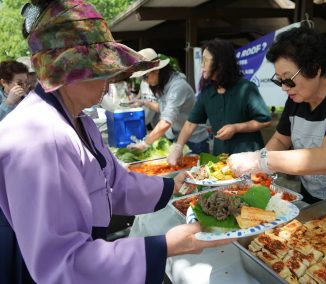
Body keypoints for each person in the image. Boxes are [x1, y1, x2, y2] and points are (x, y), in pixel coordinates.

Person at [0, 1, 234, 283]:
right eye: (102, 69)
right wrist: (166, 245)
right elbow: (63, 263)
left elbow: (115, 183)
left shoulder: (78, 120)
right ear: (69, 71)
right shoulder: (40, 139)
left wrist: (174, 185)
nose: (110, 81)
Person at [227, 26, 326, 215]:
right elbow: (281, 139)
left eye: (288, 79)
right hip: (312, 194)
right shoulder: (297, 98)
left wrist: (261, 159)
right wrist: (257, 171)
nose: (284, 88)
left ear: (315, 68)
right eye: (279, 80)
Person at [167, 38, 271, 165]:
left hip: (249, 158)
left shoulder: (246, 88)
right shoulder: (207, 93)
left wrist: (236, 128)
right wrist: (178, 147)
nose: (202, 65)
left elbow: (265, 121)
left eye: (205, 60)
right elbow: (190, 124)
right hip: (221, 159)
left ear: (220, 63)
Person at [128, 48, 210, 154]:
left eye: (145, 76)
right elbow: (162, 108)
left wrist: (145, 143)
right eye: (142, 78)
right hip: (178, 137)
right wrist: (144, 102)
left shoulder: (178, 87)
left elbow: (166, 122)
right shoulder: (163, 85)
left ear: (157, 70)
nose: (145, 81)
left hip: (195, 140)